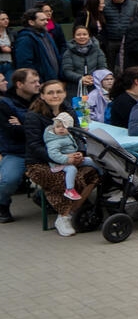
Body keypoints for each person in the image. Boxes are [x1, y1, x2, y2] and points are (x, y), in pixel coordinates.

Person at [24, 79, 97, 235]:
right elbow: (35, 146)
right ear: (42, 96)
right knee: (64, 179)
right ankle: (64, 217)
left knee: (95, 171)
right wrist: (62, 158)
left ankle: (71, 211)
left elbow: (78, 135)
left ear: (64, 93)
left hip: (70, 157)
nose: (55, 95)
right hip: (40, 163)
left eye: (59, 92)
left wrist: (80, 154)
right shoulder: (33, 116)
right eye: (50, 92)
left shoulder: (69, 111)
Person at [0, 69, 41, 223]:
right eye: (33, 82)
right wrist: (32, 127)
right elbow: (12, 132)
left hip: (41, 150)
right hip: (17, 151)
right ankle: (2, 204)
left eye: (38, 81)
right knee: (8, 180)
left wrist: (22, 124)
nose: (38, 85)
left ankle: (44, 197)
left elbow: (52, 126)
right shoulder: (4, 103)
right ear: (19, 84)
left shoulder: (43, 99)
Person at [61, 25, 108, 98]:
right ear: (74, 37)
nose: (82, 37)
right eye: (78, 35)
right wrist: (81, 78)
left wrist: (93, 78)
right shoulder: (68, 52)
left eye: (84, 34)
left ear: (89, 36)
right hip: (75, 87)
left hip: (95, 85)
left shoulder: (98, 50)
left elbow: (102, 67)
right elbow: (67, 71)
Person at [13, 9, 60, 83]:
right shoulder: (25, 39)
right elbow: (25, 64)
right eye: (42, 20)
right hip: (39, 83)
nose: (46, 22)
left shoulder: (46, 35)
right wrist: (37, 81)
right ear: (31, 22)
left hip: (52, 80)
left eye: (46, 19)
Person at [101, 0, 136, 67]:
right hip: (111, 39)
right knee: (110, 64)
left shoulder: (133, 5)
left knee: (126, 64)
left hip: (127, 39)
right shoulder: (106, 5)